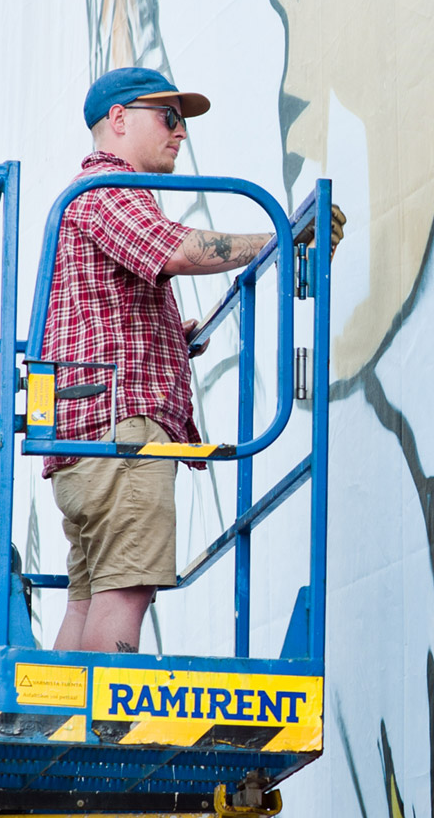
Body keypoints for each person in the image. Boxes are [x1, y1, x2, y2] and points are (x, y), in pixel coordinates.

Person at [42, 65, 343, 654]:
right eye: (170, 117)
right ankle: (106, 742)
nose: (181, 132)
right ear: (119, 120)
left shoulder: (91, 199)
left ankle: (60, 726)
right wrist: (281, 236)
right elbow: (176, 250)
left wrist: (170, 337)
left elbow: (95, 320)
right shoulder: (111, 191)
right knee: (125, 595)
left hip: (84, 444)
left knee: (89, 599)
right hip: (123, 435)